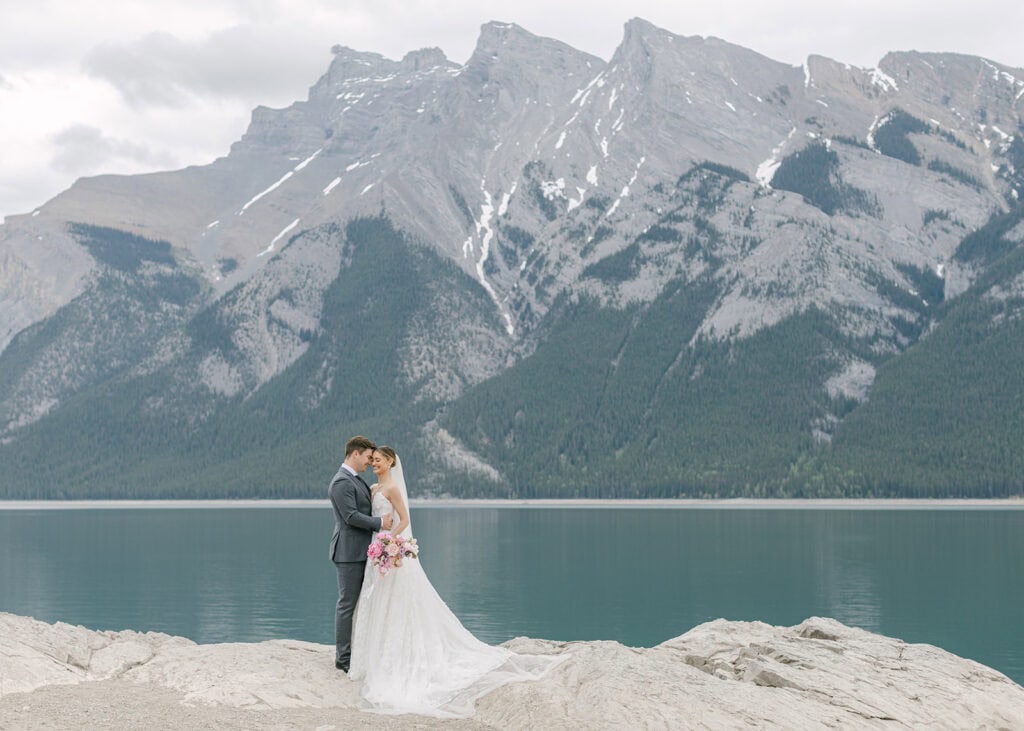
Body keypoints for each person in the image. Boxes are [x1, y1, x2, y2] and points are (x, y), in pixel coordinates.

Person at [349, 446, 564, 717]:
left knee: (398, 601)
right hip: (376, 552)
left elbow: (404, 520)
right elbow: (375, 518)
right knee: (379, 600)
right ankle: (375, 659)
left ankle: (403, 658)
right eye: (373, 461)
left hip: (388, 550)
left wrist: (390, 541)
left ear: (390, 462)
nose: (374, 464)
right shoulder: (372, 489)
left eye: (378, 461)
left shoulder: (392, 488)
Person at [328, 435, 393, 672]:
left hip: (362, 552)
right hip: (348, 553)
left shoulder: (354, 479)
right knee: (347, 605)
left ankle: (359, 653)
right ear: (355, 454)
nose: (369, 462)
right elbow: (350, 516)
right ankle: (343, 660)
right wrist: (379, 523)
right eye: (367, 457)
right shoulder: (341, 482)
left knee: (360, 604)